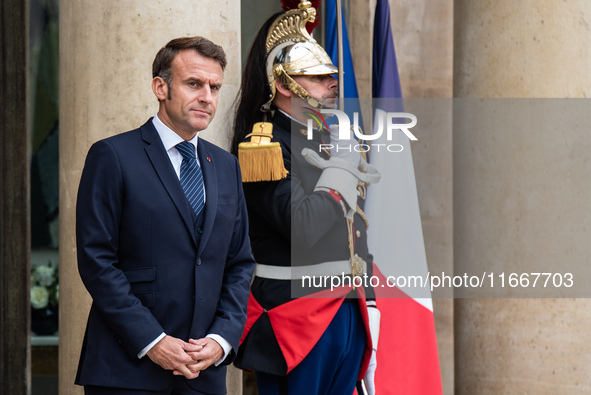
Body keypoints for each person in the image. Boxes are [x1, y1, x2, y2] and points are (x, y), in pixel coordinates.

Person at [75, 36, 255, 395]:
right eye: (194, 84)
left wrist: (221, 339)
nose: (207, 96)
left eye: (214, 87)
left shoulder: (226, 166)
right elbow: (97, 260)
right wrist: (152, 340)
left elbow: (239, 263)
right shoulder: (112, 155)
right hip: (127, 368)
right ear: (161, 87)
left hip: (202, 372)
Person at [231, 2, 381, 394]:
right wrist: (342, 172)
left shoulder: (327, 140)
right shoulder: (262, 146)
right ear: (284, 84)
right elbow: (304, 226)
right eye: (317, 77)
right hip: (295, 316)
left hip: (346, 308)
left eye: (332, 75)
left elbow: (356, 235)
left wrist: (370, 305)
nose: (332, 84)